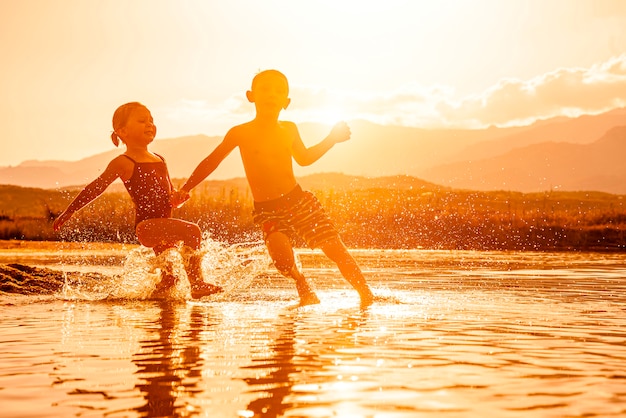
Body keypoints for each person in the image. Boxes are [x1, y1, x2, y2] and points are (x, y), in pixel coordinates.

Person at [175, 70, 374, 306]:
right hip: (268, 210)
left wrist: (331, 138)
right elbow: (213, 160)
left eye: (279, 91)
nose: (272, 94)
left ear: (286, 102)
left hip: (299, 202)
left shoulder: (289, 128)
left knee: (335, 250)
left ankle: (367, 297)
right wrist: (186, 188)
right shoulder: (240, 132)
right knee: (281, 260)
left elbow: (305, 158)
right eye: (266, 89)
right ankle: (301, 280)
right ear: (251, 96)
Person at [53, 102, 221, 299]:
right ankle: (197, 283)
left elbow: (169, 194)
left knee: (170, 280)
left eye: (151, 120)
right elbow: (96, 187)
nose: (149, 124)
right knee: (192, 231)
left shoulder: (160, 159)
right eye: (142, 121)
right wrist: (70, 211)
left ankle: (154, 309)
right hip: (147, 227)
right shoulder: (123, 162)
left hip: (163, 225)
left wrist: (177, 197)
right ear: (122, 131)